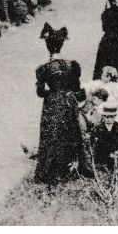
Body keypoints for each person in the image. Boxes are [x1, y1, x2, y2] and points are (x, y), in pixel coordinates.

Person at [33, 24, 88, 184]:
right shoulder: (72, 65)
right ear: (62, 45)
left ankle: (50, 169)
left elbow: (40, 92)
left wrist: (52, 92)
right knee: (70, 132)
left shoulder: (44, 69)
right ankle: (71, 166)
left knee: (52, 135)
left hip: (52, 103)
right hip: (69, 101)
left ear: (48, 48)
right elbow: (77, 90)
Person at [85, 66, 118, 171]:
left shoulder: (108, 86)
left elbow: (105, 100)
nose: (101, 77)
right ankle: (109, 157)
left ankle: (113, 157)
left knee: (112, 133)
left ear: (109, 77)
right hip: (116, 111)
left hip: (111, 110)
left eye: (103, 75)